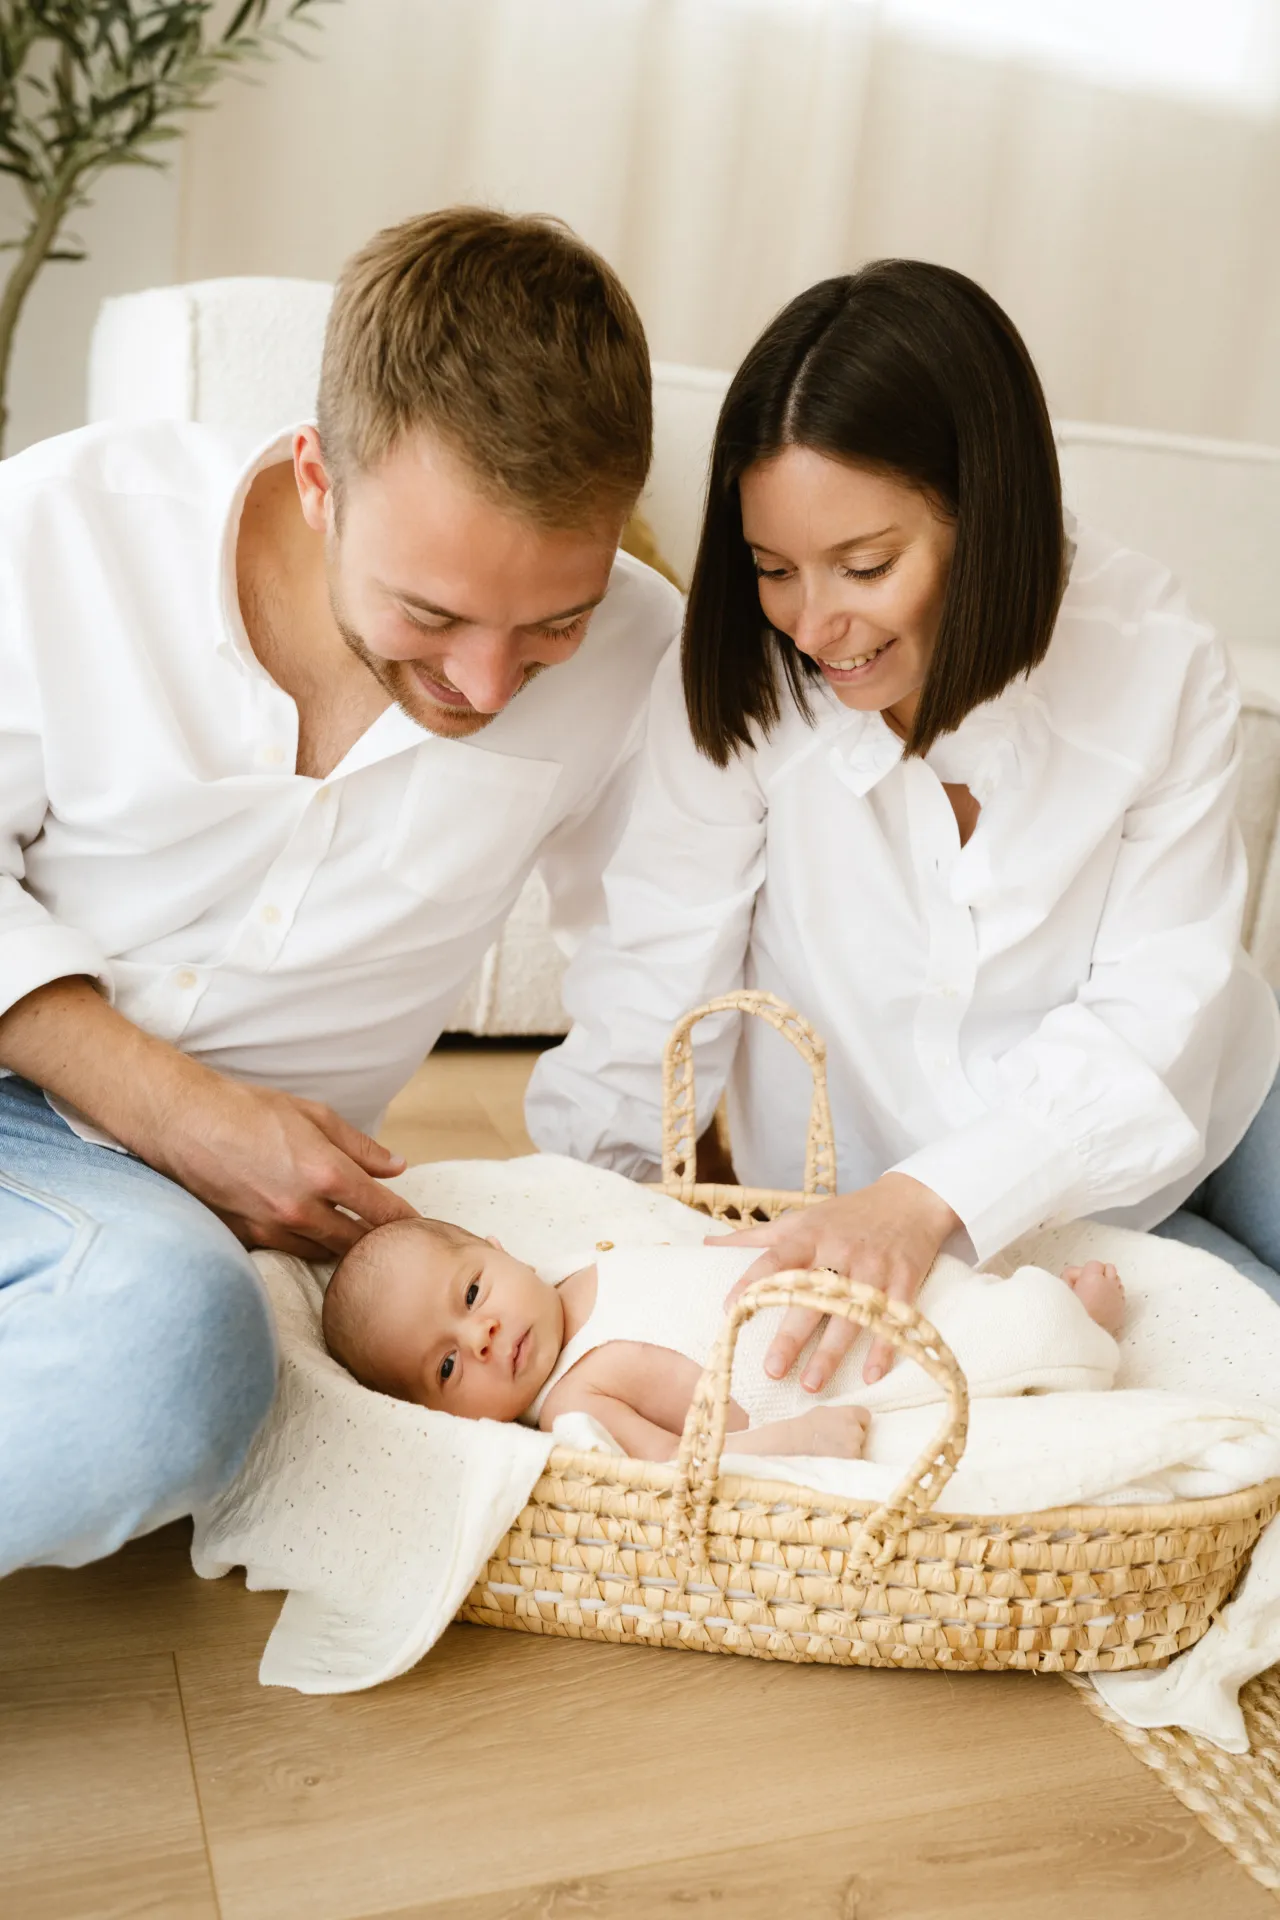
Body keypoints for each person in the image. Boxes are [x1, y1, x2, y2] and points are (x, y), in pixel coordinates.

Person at [0, 207, 681, 1579]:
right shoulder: (62, 532)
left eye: (550, 624)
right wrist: (187, 1114)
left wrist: (609, 1242)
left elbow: (653, 971)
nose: (486, 690)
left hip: (148, 1242)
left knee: (174, 1351)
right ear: (320, 480)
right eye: (430, 616)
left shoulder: (640, 653)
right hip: (52, 1100)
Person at [525, 259, 1280, 1394]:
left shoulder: (1151, 662)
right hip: (955, 1208)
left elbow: (1159, 1014)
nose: (815, 625)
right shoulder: (740, 693)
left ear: (985, 517)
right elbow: (652, 985)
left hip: (1196, 1093)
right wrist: (573, 1229)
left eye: (864, 566)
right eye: (773, 568)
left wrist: (927, 1197)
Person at [320, 1214, 1125, 1462]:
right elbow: (686, 1466)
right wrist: (796, 1440)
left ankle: (1039, 1306)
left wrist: (772, 1239)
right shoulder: (574, 1404)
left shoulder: (577, 1267)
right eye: (450, 1365)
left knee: (942, 1288)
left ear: (496, 1248)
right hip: (824, 1376)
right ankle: (1071, 1328)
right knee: (977, 1353)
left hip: (821, 1292)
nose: (486, 1335)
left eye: (470, 1294)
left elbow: (691, 1258)